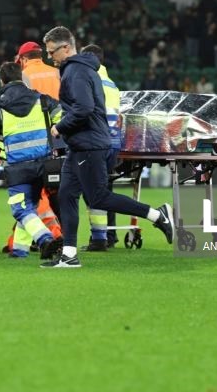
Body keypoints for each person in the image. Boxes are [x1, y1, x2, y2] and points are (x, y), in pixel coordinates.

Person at [41, 26, 174, 268]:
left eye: (52, 52)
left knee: (99, 197)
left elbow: (84, 108)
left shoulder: (75, 71)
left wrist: (60, 126)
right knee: (67, 195)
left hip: (88, 144)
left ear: (66, 48)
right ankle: (69, 255)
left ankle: (157, 215)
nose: (50, 58)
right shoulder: (83, 69)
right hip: (81, 145)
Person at [0, 62, 64, 259]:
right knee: (29, 206)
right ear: (22, 78)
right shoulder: (43, 100)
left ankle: (45, 239)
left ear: (1, 81)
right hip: (44, 165)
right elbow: (65, 119)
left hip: (18, 168)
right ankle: (19, 251)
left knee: (21, 209)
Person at [79, 44, 121, 251]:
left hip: (96, 141)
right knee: (103, 188)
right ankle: (108, 235)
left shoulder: (88, 79)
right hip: (113, 142)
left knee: (91, 191)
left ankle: (100, 238)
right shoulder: (111, 83)